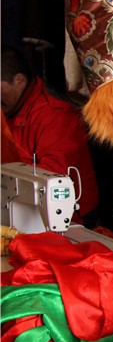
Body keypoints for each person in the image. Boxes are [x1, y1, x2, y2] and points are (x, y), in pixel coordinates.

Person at [1, 44, 99, 225]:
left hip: (70, 218)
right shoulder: (9, 108)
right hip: (19, 206)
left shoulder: (56, 116)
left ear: (19, 80)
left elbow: (53, 177)